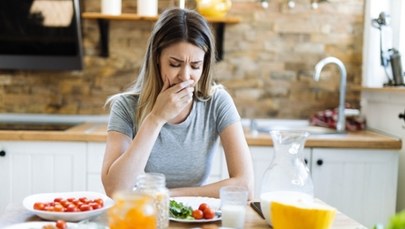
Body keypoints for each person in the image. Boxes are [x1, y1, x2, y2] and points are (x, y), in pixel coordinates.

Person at [101, 8, 254, 199]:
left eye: (195, 66)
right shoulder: (125, 106)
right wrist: (156, 118)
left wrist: (166, 196)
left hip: (194, 218)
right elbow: (115, 190)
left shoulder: (217, 103)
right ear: (157, 58)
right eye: (175, 64)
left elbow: (246, 186)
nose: (185, 76)